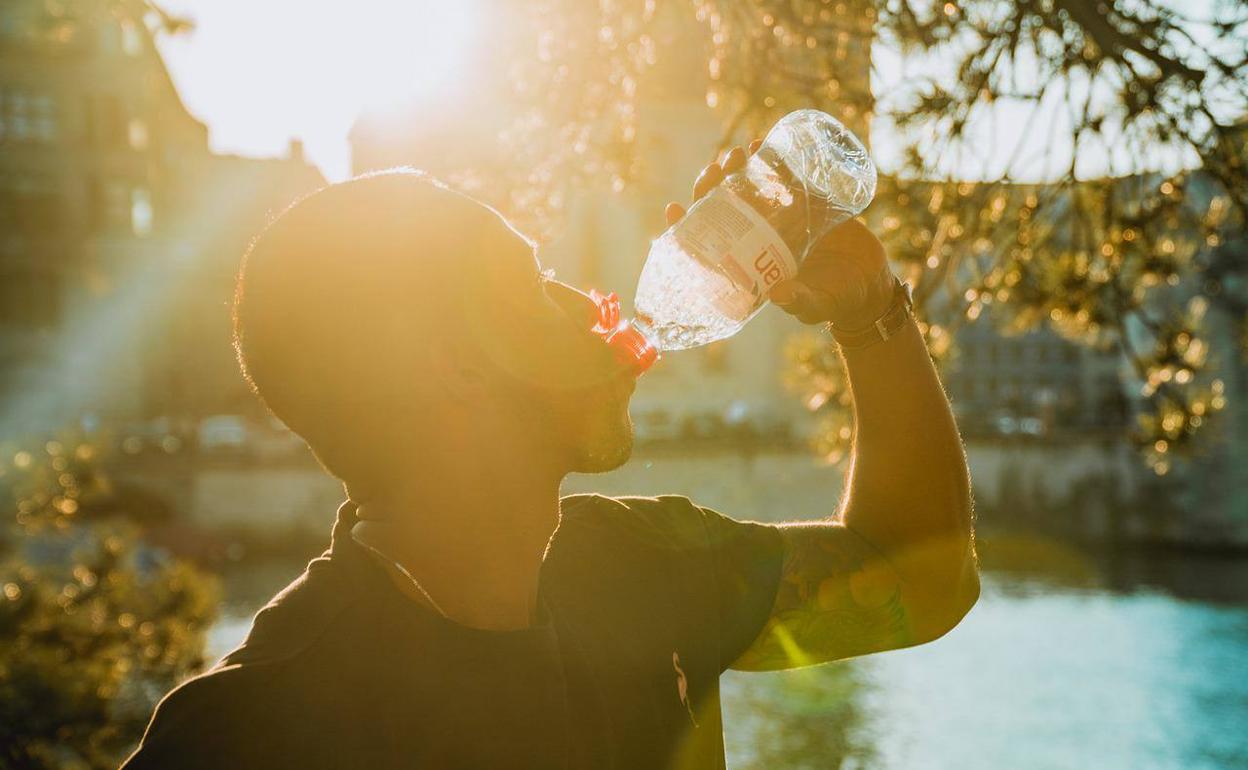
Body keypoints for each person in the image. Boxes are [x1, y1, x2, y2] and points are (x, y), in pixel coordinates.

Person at [121, 144, 979, 770]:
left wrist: (870, 314)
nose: (587, 301)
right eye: (532, 288)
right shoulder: (241, 732)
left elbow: (922, 579)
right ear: (447, 366)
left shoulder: (643, 565)